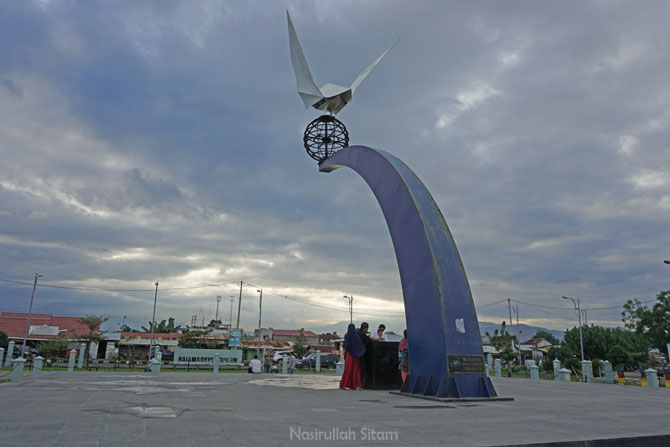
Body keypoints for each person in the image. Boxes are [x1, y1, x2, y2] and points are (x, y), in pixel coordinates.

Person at [339, 323, 366, 390]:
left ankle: (342, 385)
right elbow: (361, 346)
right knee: (355, 370)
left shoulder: (347, 336)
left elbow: (345, 346)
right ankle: (356, 385)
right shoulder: (356, 336)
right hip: (355, 356)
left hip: (349, 355)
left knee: (347, 370)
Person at [357, 322, 371, 387]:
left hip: (357, 354)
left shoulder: (358, 333)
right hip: (361, 354)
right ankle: (361, 384)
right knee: (362, 369)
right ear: (365, 328)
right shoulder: (362, 334)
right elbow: (367, 340)